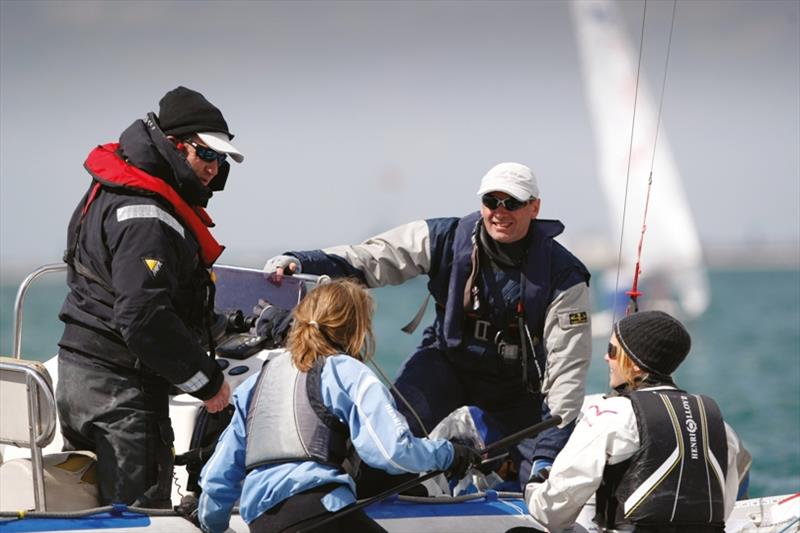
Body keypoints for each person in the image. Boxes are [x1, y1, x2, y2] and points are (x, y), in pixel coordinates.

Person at [263, 162, 592, 485]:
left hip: (517, 389)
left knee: (545, 480)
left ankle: (503, 469)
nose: (500, 211)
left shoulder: (565, 276)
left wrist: (547, 457)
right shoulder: (447, 238)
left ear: (534, 207)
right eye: (492, 201)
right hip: (446, 365)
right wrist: (302, 261)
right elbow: (373, 257)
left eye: (513, 203)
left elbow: (568, 372)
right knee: (382, 451)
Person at [56, 86, 244, 507]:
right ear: (177, 148)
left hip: (76, 376)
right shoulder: (148, 215)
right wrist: (207, 383)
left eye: (222, 160)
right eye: (206, 155)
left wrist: (215, 325)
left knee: (95, 513)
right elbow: (143, 318)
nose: (214, 168)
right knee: (141, 518)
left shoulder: (114, 187)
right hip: (121, 393)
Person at [197, 279, 480, 533]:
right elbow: (392, 452)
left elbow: (215, 478)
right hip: (321, 512)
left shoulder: (255, 384)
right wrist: (449, 455)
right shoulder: (346, 372)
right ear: (356, 330)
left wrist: (212, 525)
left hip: (263, 524)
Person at [525, 310, 747, 532]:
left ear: (635, 364)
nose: (606, 357)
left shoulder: (612, 414)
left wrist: (534, 488)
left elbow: (552, 512)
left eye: (612, 351)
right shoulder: (721, 426)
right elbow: (723, 510)